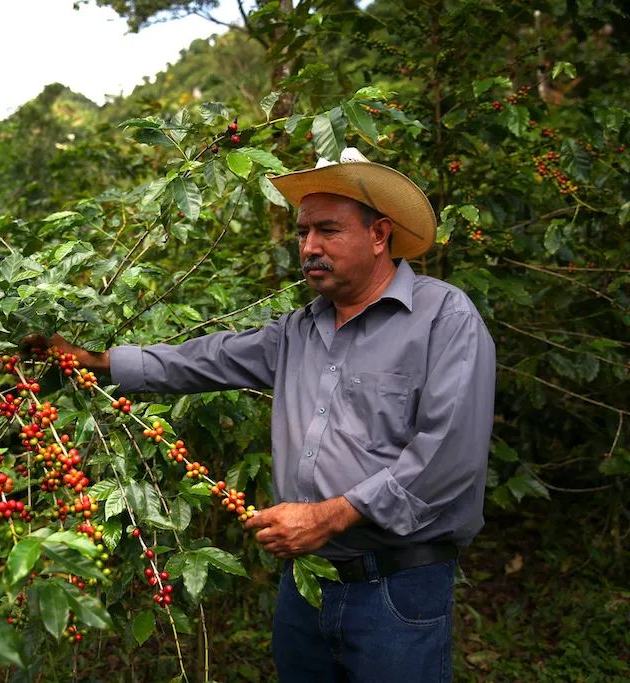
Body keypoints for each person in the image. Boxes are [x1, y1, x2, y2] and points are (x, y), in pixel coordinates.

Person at [47, 147, 495, 682]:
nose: (309, 247)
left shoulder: (444, 317)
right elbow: (205, 359)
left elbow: (448, 455)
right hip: (305, 583)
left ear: (379, 235)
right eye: (303, 233)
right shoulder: (298, 331)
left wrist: (328, 516)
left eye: (328, 230)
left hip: (397, 586)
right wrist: (96, 361)